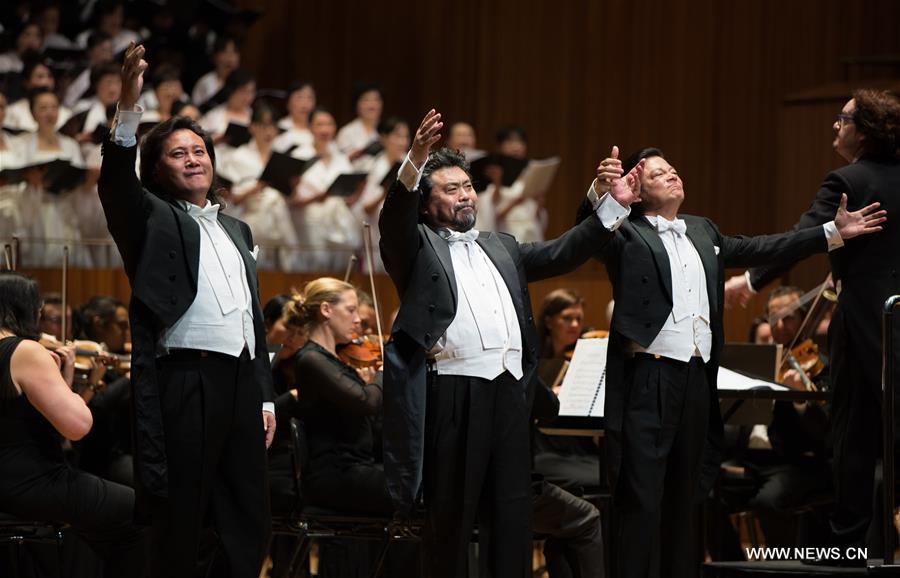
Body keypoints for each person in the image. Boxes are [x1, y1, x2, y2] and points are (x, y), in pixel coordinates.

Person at [579, 144, 884, 578]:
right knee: (641, 499)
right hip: (648, 379)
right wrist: (602, 194)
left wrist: (832, 233)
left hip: (696, 380)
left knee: (688, 499)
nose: (672, 175)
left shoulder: (702, 230)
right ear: (636, 190)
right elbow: (583, 234)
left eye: (673, 169)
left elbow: (765, 246)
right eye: (657, 174)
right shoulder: (623, 232)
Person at [378, 109, 634, 576]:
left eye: (468, 186)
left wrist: (611, 206)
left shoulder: (503, 245)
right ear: (426, 202)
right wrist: (414, 160)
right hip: (453, 394)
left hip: (510, 393)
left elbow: (563, 252)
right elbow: (393, 218)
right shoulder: (413, 246)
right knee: (450, 520)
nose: (465, 195)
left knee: (513, 515)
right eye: (451, 189)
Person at [97, 43, 275, 578]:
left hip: (243, 381)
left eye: (200, 151)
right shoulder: (148, 217)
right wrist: (130, 105)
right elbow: (115, 182)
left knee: (249, 517)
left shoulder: (237, 228)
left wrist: (264, 393)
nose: (194, 159)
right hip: (186, 378)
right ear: (157, 168)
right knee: (182, 514)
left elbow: (253, 319)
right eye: (179, 153)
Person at [724, 88, 900, 562]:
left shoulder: (846, 179)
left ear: (863, 131)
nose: (835, 127)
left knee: (854, 439)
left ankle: (847, 551)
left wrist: (751, 279)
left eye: (843, 120)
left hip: (865, 328)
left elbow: (803, 237)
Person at [0, 271, 146, 577]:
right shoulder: (25, 351)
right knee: (142, 512)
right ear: (22, 308)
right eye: (38, 312)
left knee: (97, 524)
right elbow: (77, 427)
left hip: (9, 483)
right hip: (30, 483)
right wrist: (67, 384)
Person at [217, 102, 301, 271]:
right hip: (250, 218)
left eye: (273, 126)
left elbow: (290, 199)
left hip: (279, 217)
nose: (269, 131)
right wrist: (258, 187)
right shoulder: (239, 156)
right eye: (264, 126)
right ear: (253, 127)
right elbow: (232, 199)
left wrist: (293, 186)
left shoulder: (281, 158)